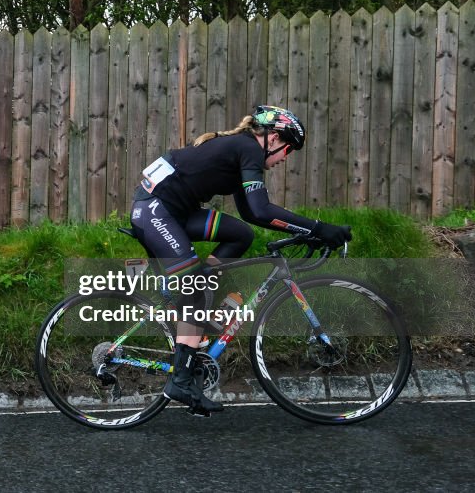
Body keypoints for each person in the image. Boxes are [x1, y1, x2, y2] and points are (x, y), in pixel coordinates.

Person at [129, 105, 351, 415]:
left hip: (175, 212)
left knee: (240, 235)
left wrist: (307, 232)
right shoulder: (248, 148)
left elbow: (251, 214)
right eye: (288, 149)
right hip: (155, 211)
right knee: (193, 287)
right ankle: (180, 380)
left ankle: (197, 293)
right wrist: (319, 228)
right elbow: (262, 210)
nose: (285, 158)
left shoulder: (241, 152)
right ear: (273, 138)